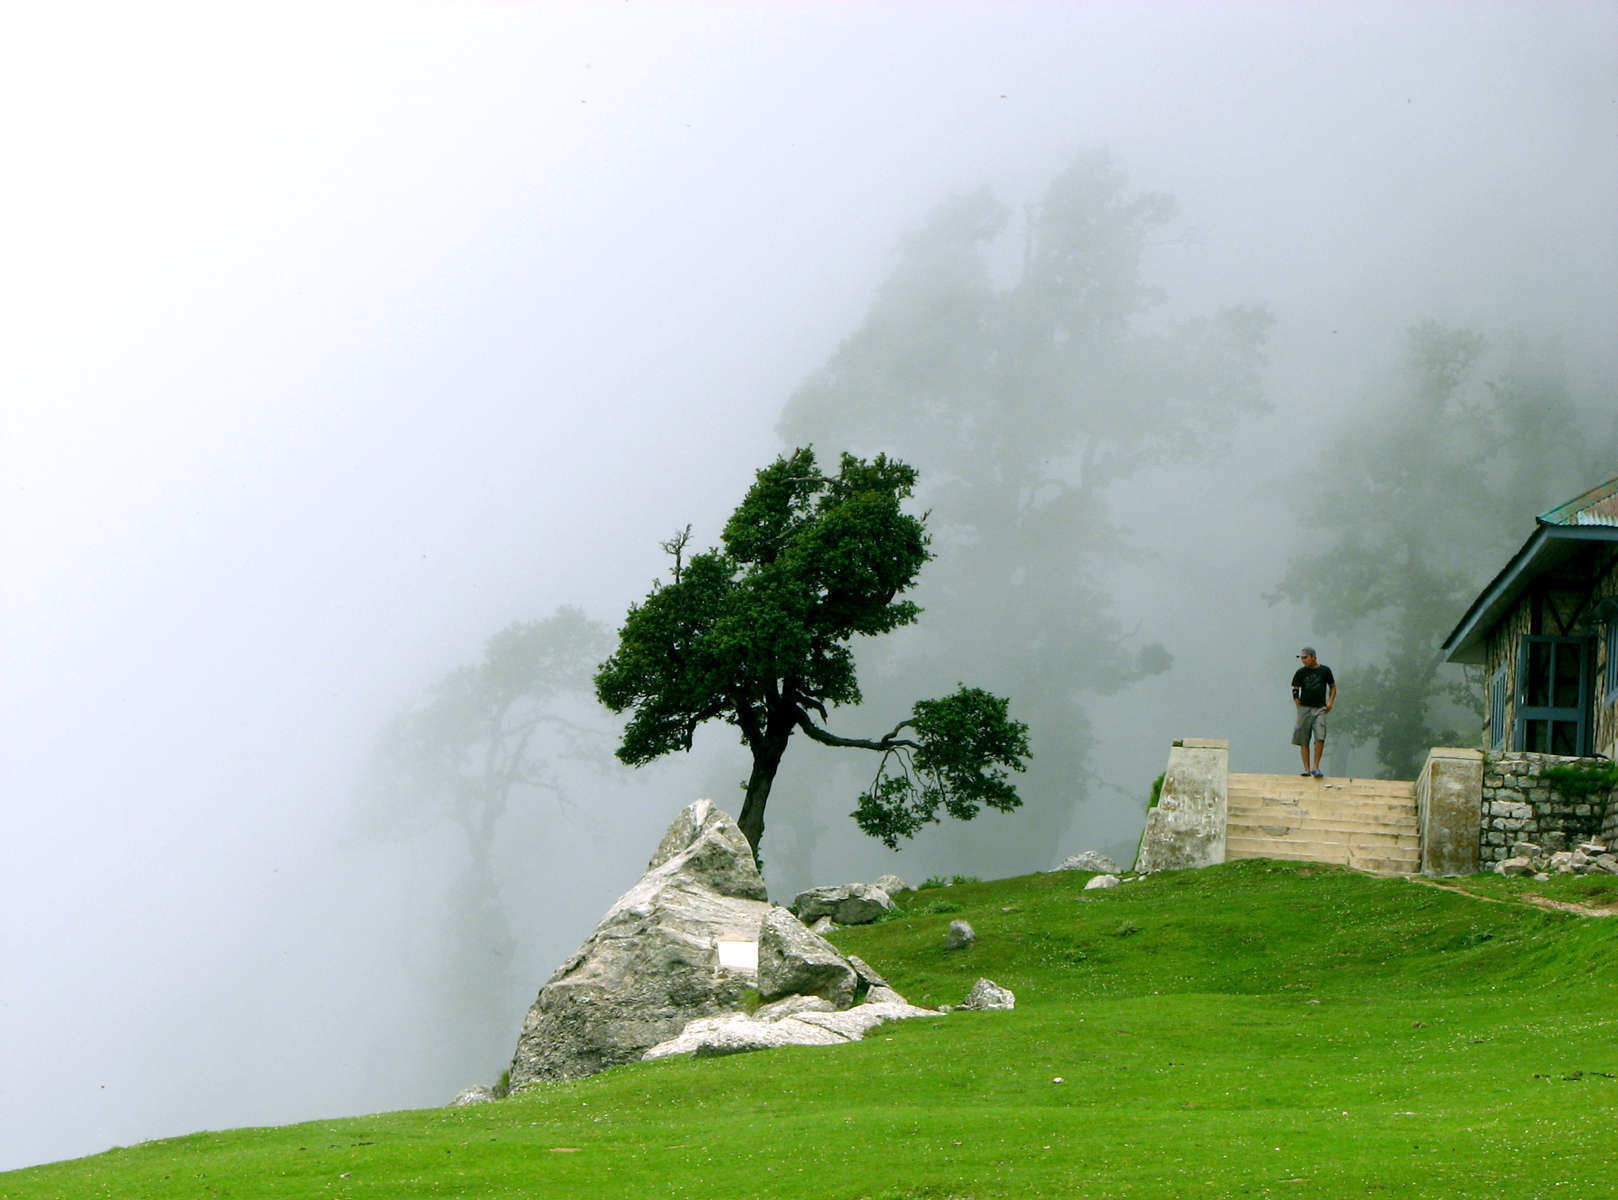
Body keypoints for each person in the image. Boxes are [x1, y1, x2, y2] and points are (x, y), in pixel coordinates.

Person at [1290, 646, 1336, 777]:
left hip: (1320, 708)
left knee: (1320, 737)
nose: (1303, 660)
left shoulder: (1325, 670)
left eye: (1305, 658)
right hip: (1304, 708)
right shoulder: (1301, 672)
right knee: (1303, 739)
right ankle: (1307, 768)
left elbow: (1333, 687)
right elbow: (1295, 687)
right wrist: (1296, 698)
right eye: (1302, 658)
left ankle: (1316, 766)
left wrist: (1330, 702)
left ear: (1313, 656)